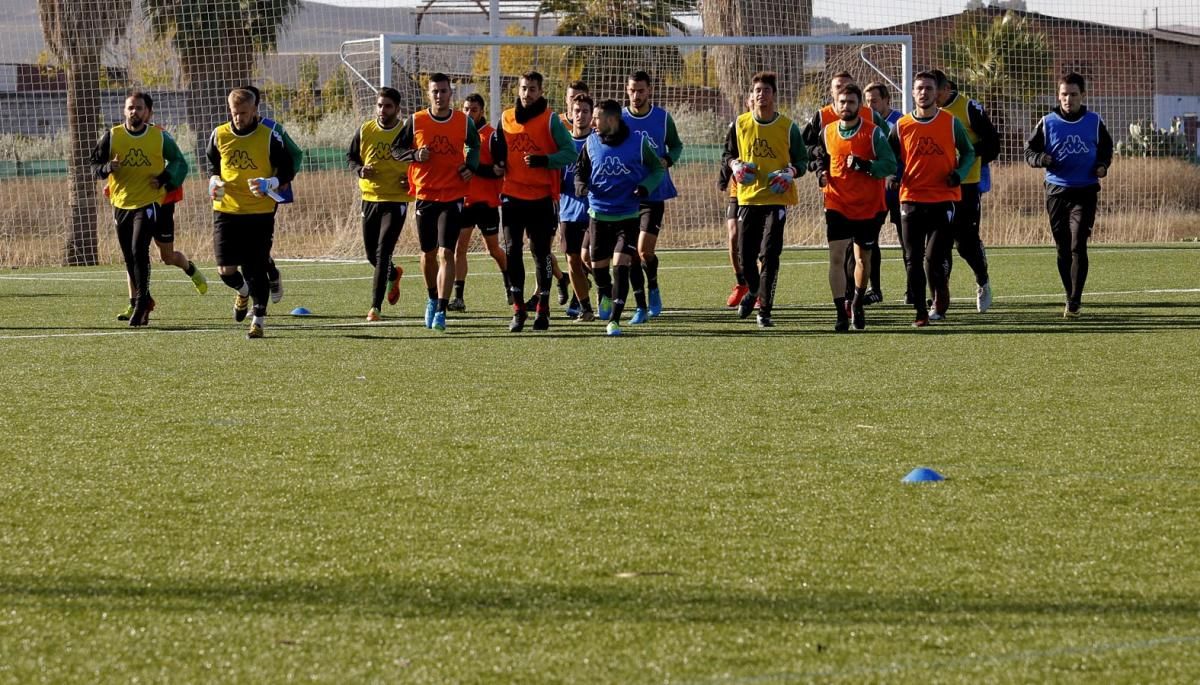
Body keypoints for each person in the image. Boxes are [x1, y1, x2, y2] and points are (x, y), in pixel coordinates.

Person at [389, 73, 480, 332]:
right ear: (428, 94)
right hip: (425, 195)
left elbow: (474, 145)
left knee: (446, 252)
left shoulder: (463, 122)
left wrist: (470, 166)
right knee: (428, 254)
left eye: (443, 91)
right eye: (435, 91)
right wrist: (415, 154)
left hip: (452, 196)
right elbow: (396, 150)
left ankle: (441, 308)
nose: (439, 95)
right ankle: (431, 297)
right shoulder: (416, 120)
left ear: (451, 94)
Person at [90, 91, 189, 326]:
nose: (135, 112)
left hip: (149, 202)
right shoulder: (112, 136)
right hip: (121, 202)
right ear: (124, 111)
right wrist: (107, 168)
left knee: (138, 249)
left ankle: (141, 301)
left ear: (148, 112)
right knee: (128, 256)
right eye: (130, 107)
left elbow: (179, 162)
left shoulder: (159, 137)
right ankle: (141, 300)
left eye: (139, 108)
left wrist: (165, 178)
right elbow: (94, 165)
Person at [491, 70, 578, 332]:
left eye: (532, 89)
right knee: (512, 250)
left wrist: (545, 161)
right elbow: (498, 147)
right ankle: (518, 310)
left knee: (541, 254)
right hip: (511, 197)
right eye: (523, 88)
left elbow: (570, 153)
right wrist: (498, 163)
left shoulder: (550, 120)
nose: (527, 93)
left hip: (541, 198)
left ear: (541, 92)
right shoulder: (506, 118)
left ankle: (543, 308)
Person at [887, 71, 975, 327]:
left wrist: (959, 174)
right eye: (919, 88)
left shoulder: (950, 122)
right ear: (912, 93)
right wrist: (892, 174)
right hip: (910, 198)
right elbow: (890, 156)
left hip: (943, 198)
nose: (923, 92)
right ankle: (920, 312)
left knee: (933, 257)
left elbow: (969, 152)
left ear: (936, 93)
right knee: (912, 259)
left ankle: (941, 293)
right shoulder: (902, 126)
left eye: (928, 88)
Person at [207, 88, 296, 338]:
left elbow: (288, 170)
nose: (239, 118)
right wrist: (214, 180)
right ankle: (243, 291)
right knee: (225, 270)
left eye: (244, 113)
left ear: (255, 110)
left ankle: (258, 320)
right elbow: (212, 164)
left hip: (259, 211)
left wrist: (270, 183)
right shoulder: (219, 134)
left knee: (256, 266)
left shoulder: (269, 137)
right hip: (226, 210)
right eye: (235, 113)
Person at [722, 71, 807, 328]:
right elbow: (727, 154)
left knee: (769, 254)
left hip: (776, 199)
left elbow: (802, 161)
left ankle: (765, 311)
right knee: (746, 256)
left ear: (774, 95)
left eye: (766, 91)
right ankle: (752, 291)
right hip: (747, 199)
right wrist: (734, 164)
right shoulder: (740, 124)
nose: (762, 95)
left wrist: (791, 172)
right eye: (758, 90)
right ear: (752, 95)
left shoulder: (788, 127)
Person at [1024, 72, 1112, 318]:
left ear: (1082, 96)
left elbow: (1106, 149)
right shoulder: (1047, 122)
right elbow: (1029, 151)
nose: (1068, 99)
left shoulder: (1094, 122)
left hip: (1085, 191)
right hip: (1056, 191)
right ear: (1058, 95)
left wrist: (1103, 165)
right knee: (1063, 248)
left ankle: (1075, 301)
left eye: (1073, 95)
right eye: (1064, 94)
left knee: (1077, 245)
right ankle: (1068, 293)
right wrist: (1041, 158)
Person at [574, 99, 664, 336]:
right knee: (599, 268)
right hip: (598, 215)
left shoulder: (638, 142)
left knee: (621, 266)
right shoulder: (590, 142)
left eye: (596, 117)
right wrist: (581, 185)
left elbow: (657, 169)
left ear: (611, 120)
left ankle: (614, 320)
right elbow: (580, 171)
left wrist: (645, 187)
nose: (592, 121)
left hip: (628, 215)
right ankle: (604, 292)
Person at [804, 71, 893, 306]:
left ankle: (864, 294)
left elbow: (891, 148)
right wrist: (820, 169)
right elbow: (813, 150)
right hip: (836, 199)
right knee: (838, 255)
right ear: (833, 95)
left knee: (863, 255)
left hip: (869, 201)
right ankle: (842, 309)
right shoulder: (823, 120)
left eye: (848, 90)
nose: (844, 100)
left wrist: (869, 166)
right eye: (838, 90)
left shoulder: (871, 120)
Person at [932, 70, 1000, 315]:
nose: (929, 95)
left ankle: (982, 279)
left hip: (966, 185)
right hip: (935, 188)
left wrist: (966, 157)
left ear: (946, 88)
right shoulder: (925, 114)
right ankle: (939, 299)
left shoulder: (969, 108)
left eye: (933, 90)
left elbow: (993, 144)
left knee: (965, 243)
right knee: (938, 244)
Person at [347, 86, 411, 322]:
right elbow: (351, 158)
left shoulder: (406, 131)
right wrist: (360, 170)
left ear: (397, 108)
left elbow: (422, 159)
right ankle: (394, 274)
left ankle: (375, 307)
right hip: (370, 198)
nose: (383, 110)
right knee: (371, 256)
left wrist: (411, 178)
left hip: (396, 199)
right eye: (380, 105)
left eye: (388, 106)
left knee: (383, 251)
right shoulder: (366, 129)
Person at [623, 70, 683, 318]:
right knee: (629, 253)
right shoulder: (620, 119)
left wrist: (668, 159)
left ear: (650, 91)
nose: (636, 95)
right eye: (632, 90)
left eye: (641, 90)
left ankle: (654, 287)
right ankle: (640, 305)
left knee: (644, 250)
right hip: (626, 194)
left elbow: (677, 145)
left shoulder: (662, 118)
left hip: (654, 193)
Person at [242, 85, 303, 304]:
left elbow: (295, 154)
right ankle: (259, 284)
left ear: (255, 107)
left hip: (265, 196)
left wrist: (283, 180)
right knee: (242, 249)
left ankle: (262, 294)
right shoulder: (228, 130)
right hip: (237, 198)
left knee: (256, 248)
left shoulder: (272, 129)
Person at [450, 93, 508, 312]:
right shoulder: (458, 134)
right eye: (466, 109)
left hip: (487, 202)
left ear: (482, 111)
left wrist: (473, 169)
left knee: (493, 250)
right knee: (459, 248)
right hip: (464, 202)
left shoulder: (491, 136)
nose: (469, 113)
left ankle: (509, 285)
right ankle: (459, 298)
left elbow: (498, 171)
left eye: (473, 109)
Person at [864, 81, 905, 303]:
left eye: (875, 101)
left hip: (899, 190)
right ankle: (875, 290)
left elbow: (905, 155)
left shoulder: (900, 122)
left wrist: (897, 176)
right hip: (875, 191)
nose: (871, 105)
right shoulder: (865, 123)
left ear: (887, 99)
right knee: (870, 240)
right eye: (867, 101)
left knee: (907, 241)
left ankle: (912, 289)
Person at [558, 93, 597, 322]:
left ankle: (607, 290)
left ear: (592, 116)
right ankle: (585, 307)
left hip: (594, 210)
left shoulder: (597, 143)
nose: (580, 115)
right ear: (570, 114)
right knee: (572, 260)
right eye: (576, 111)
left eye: (584, 111)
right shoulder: (563, 145)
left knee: (588, 257)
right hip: (568, 211)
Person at [718, 94, 755, 308]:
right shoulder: (738, 124)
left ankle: (757, 287)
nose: (756, 102)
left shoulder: (775, 125)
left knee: (755, 243)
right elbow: (727, 154)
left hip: (761, 192)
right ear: (748, 102)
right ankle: (741, 283)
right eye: (751, 99)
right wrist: (724, 177)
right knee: (733, 235)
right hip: (738, 189)